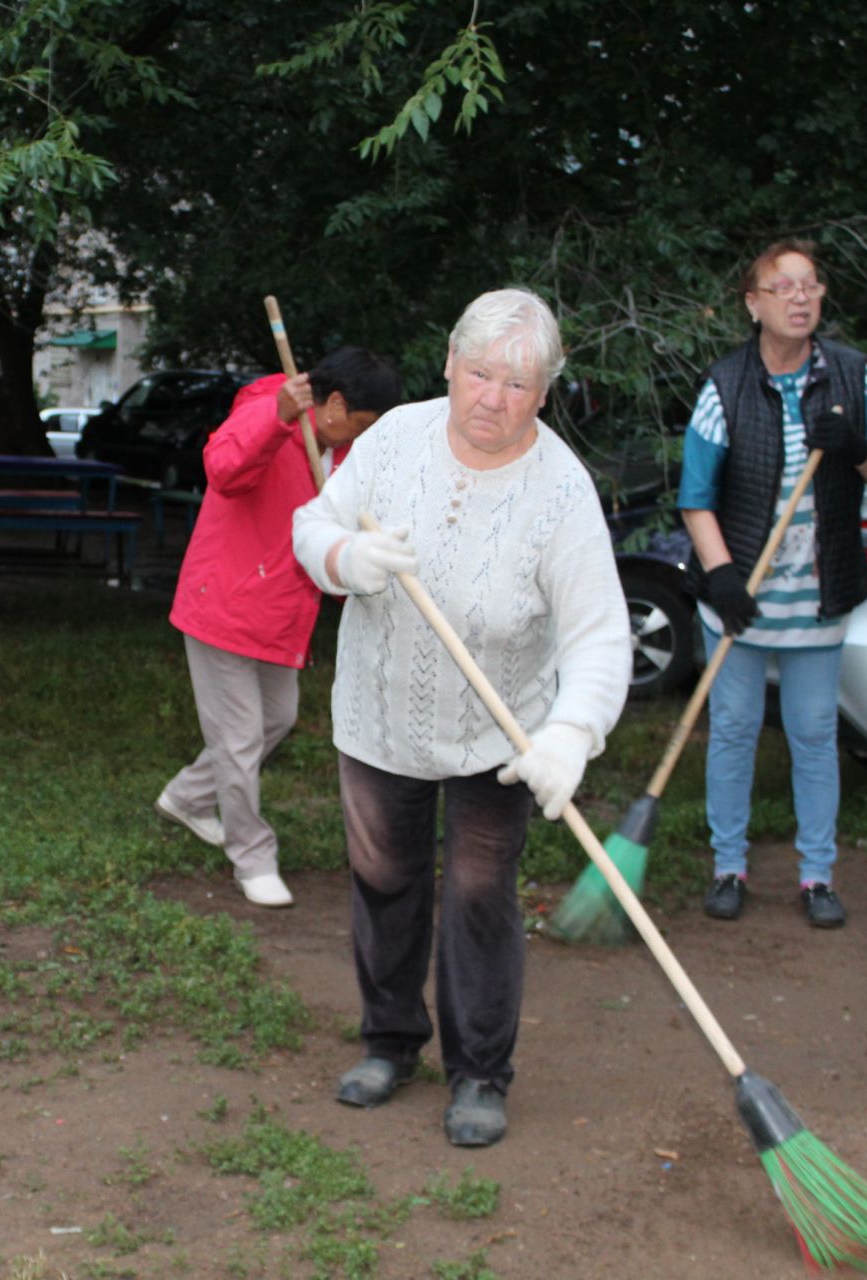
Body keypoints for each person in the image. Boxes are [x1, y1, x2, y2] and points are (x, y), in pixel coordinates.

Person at [292, 289, 629, 1146]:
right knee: (384, 881)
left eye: (518, 384)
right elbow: (312, 525)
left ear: (544, 393)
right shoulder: (393, 438)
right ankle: (390, 1042)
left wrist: (570, 733)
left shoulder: (560, 490)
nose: (493, 398)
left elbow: (599, 636)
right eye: (479, 373)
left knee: (480, 897)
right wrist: (346, 558)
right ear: (450, 361)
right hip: (379, 718)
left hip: (500, 736)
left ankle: (479, 1071)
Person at [679, 239, 867, 930]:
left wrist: (857, 448)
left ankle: (817, 877)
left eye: (810, 286)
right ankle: (728, 866)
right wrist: (719, 577)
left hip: (818, 593)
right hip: (741, 598)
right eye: (783, 287)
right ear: (754, 304)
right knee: (735, 731)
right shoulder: (724, 385)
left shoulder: (853, 377)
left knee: (812, 733)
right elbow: (695, 496)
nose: (800, 298)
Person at [155, 348, 404, 908]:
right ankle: (252, 857)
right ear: (335, 404)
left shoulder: (341, 454)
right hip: (222, 600)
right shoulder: (267, 410)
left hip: (279, 610)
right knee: (239, 738)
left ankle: (188, 798)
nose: (363, 440)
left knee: (277, 719)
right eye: (361, 427)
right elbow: (222, 470)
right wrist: (276, 419)